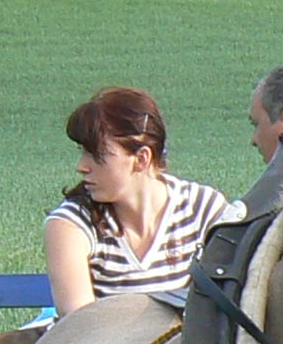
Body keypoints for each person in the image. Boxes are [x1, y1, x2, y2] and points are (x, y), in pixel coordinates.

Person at [43, 87, 229, 317]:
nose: (81, 166)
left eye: (96, 154)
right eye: (82, 152)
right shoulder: (70, 225)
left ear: (141, 159)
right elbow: (80, 328)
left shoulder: (203, 209)